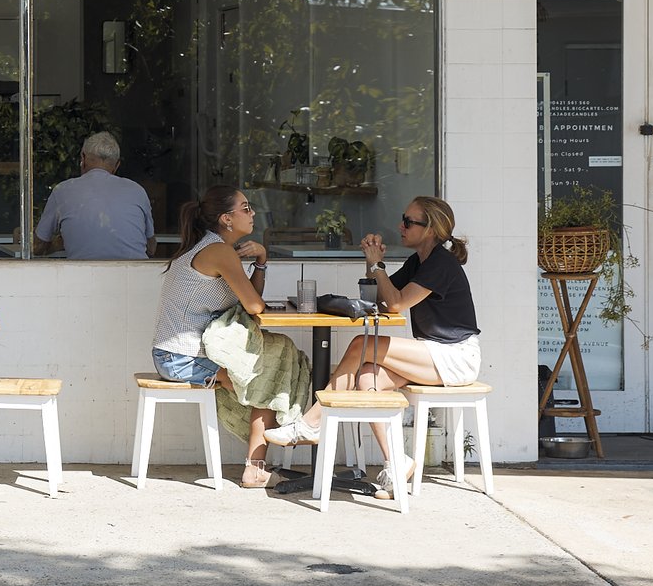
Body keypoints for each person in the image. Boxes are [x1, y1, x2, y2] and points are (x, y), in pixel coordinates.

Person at [266, 195, 481, 496]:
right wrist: (373, 264)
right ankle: (397, 462)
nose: (400, 226)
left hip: (455, 356)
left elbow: (396, 303)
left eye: (408, 222)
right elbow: (381, 300)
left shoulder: (441, 263)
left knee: (360, 345)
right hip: (430, 352)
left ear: (430, 228)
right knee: (367, 377)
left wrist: (378, 266)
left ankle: (312, 422)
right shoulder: (418, 261)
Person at [150, 185, 286, 488]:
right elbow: (254, 305)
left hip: (175, 355)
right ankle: (255, 467)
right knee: (266, 375)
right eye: (246, 208)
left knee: (274, 359)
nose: (252, 214)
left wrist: (261, 261)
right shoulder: (218, 251)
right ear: (226, 219)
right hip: (180, 358)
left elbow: (249, 301)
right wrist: (258, 263)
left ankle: (262, 457)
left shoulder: (213, 248)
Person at [34, 131, 156, 260]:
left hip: (85, 277)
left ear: (83, 157)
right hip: (138, 276)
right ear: (117, 165)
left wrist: (57, 244)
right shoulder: (137, 191)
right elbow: (151, 248)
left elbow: (37, 246)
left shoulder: (62, 190)